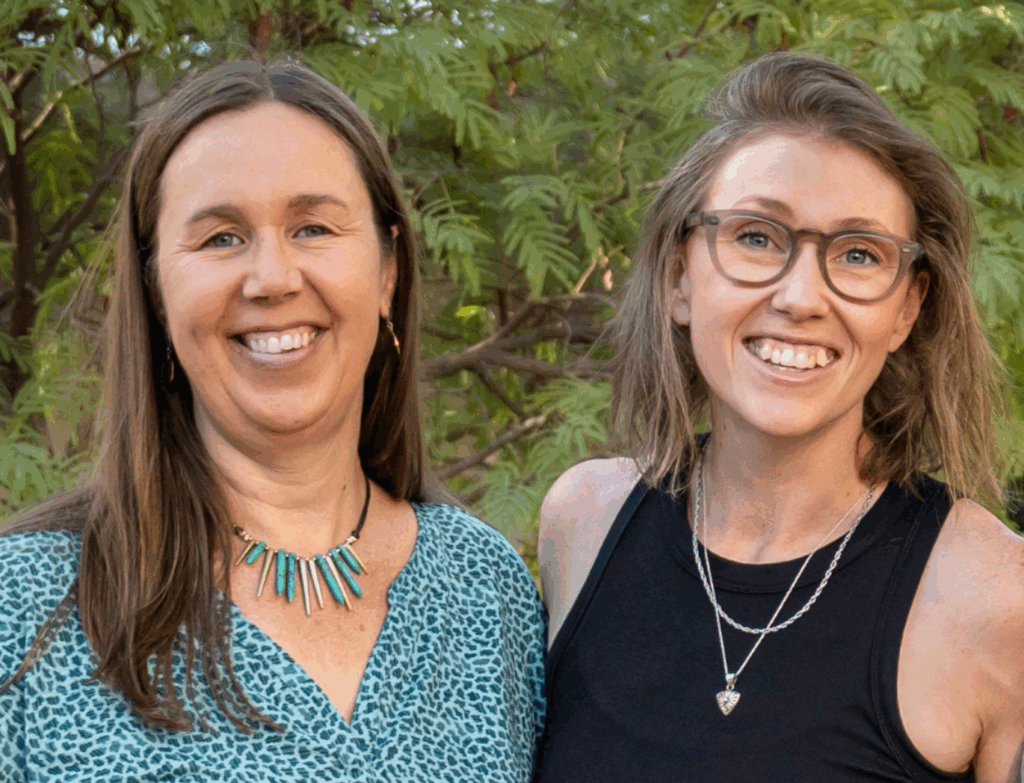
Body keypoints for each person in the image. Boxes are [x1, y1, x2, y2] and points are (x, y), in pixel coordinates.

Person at [0, 59, 545, 781]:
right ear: (157, 292)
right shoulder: (24, 608)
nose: (272, 279)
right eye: (221, 238)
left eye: (313, 227)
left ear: (387, 272)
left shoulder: (486, 589)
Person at [535, 53, 1024, 783]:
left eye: (858, 254)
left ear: (906, 308)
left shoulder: (998, 595)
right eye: (757, 236)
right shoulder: (582, 522)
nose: (800, 298)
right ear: (679, 277)